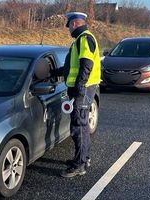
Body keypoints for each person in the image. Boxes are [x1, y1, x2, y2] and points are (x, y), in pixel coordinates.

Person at [52, 12, 101, 178]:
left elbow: (86, 64)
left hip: (83, 89)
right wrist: (53, 72)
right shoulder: (82, 40)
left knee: (78, 127)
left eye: (69, 26)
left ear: (74, 24)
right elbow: (71, 68)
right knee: (83, 126)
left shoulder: (84, 39)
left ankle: (79, 165)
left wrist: (79, 85)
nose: (68, 30)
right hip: (85, 88)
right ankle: (83, 158)